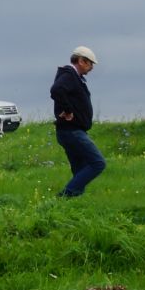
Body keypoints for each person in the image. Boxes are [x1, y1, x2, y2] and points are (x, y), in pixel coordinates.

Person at [51, 45, 105, 198]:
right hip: (72, 131)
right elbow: (56, 90)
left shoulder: (74, 77)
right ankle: (64, 197)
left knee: (80, 169)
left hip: (69, 131)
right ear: (81, 61)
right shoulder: (69, 75)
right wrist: (68, 111)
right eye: (90, 63)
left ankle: (72, 204)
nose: (92, 67)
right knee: (97, 163)